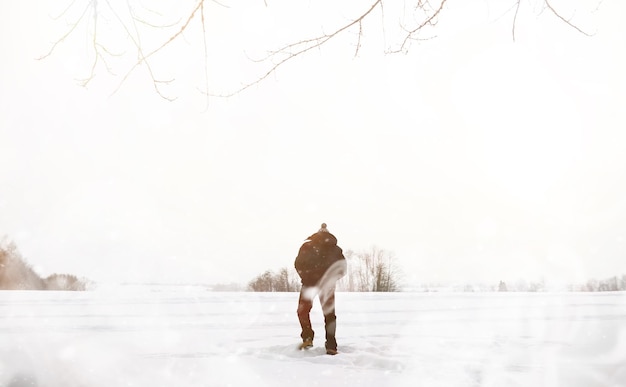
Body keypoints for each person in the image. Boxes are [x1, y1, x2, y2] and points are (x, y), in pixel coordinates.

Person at [294, 223, 347, 355]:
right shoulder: (336, 249)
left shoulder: (307, 246)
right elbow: (342, 269)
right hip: (326, 285)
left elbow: (298, 264)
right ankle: (331, 345)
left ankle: (307, 338)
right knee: (329, 315)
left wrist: (306, 277)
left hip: (309, 284)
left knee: (303, 311)